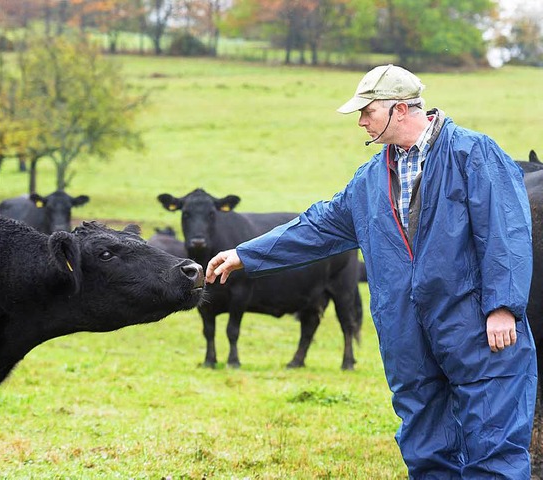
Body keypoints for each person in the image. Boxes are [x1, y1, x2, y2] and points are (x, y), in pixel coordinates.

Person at [205, 64, 537, 478]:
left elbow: (506, 230)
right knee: (426, 449)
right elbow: (318, 227)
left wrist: (502, 306)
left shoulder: (474, 153)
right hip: (406, 332)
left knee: (493, 445)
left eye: (368, 111)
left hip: (474, 325)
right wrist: (246, 254)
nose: (361, 120)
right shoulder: (369, 180)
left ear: (400, 110)